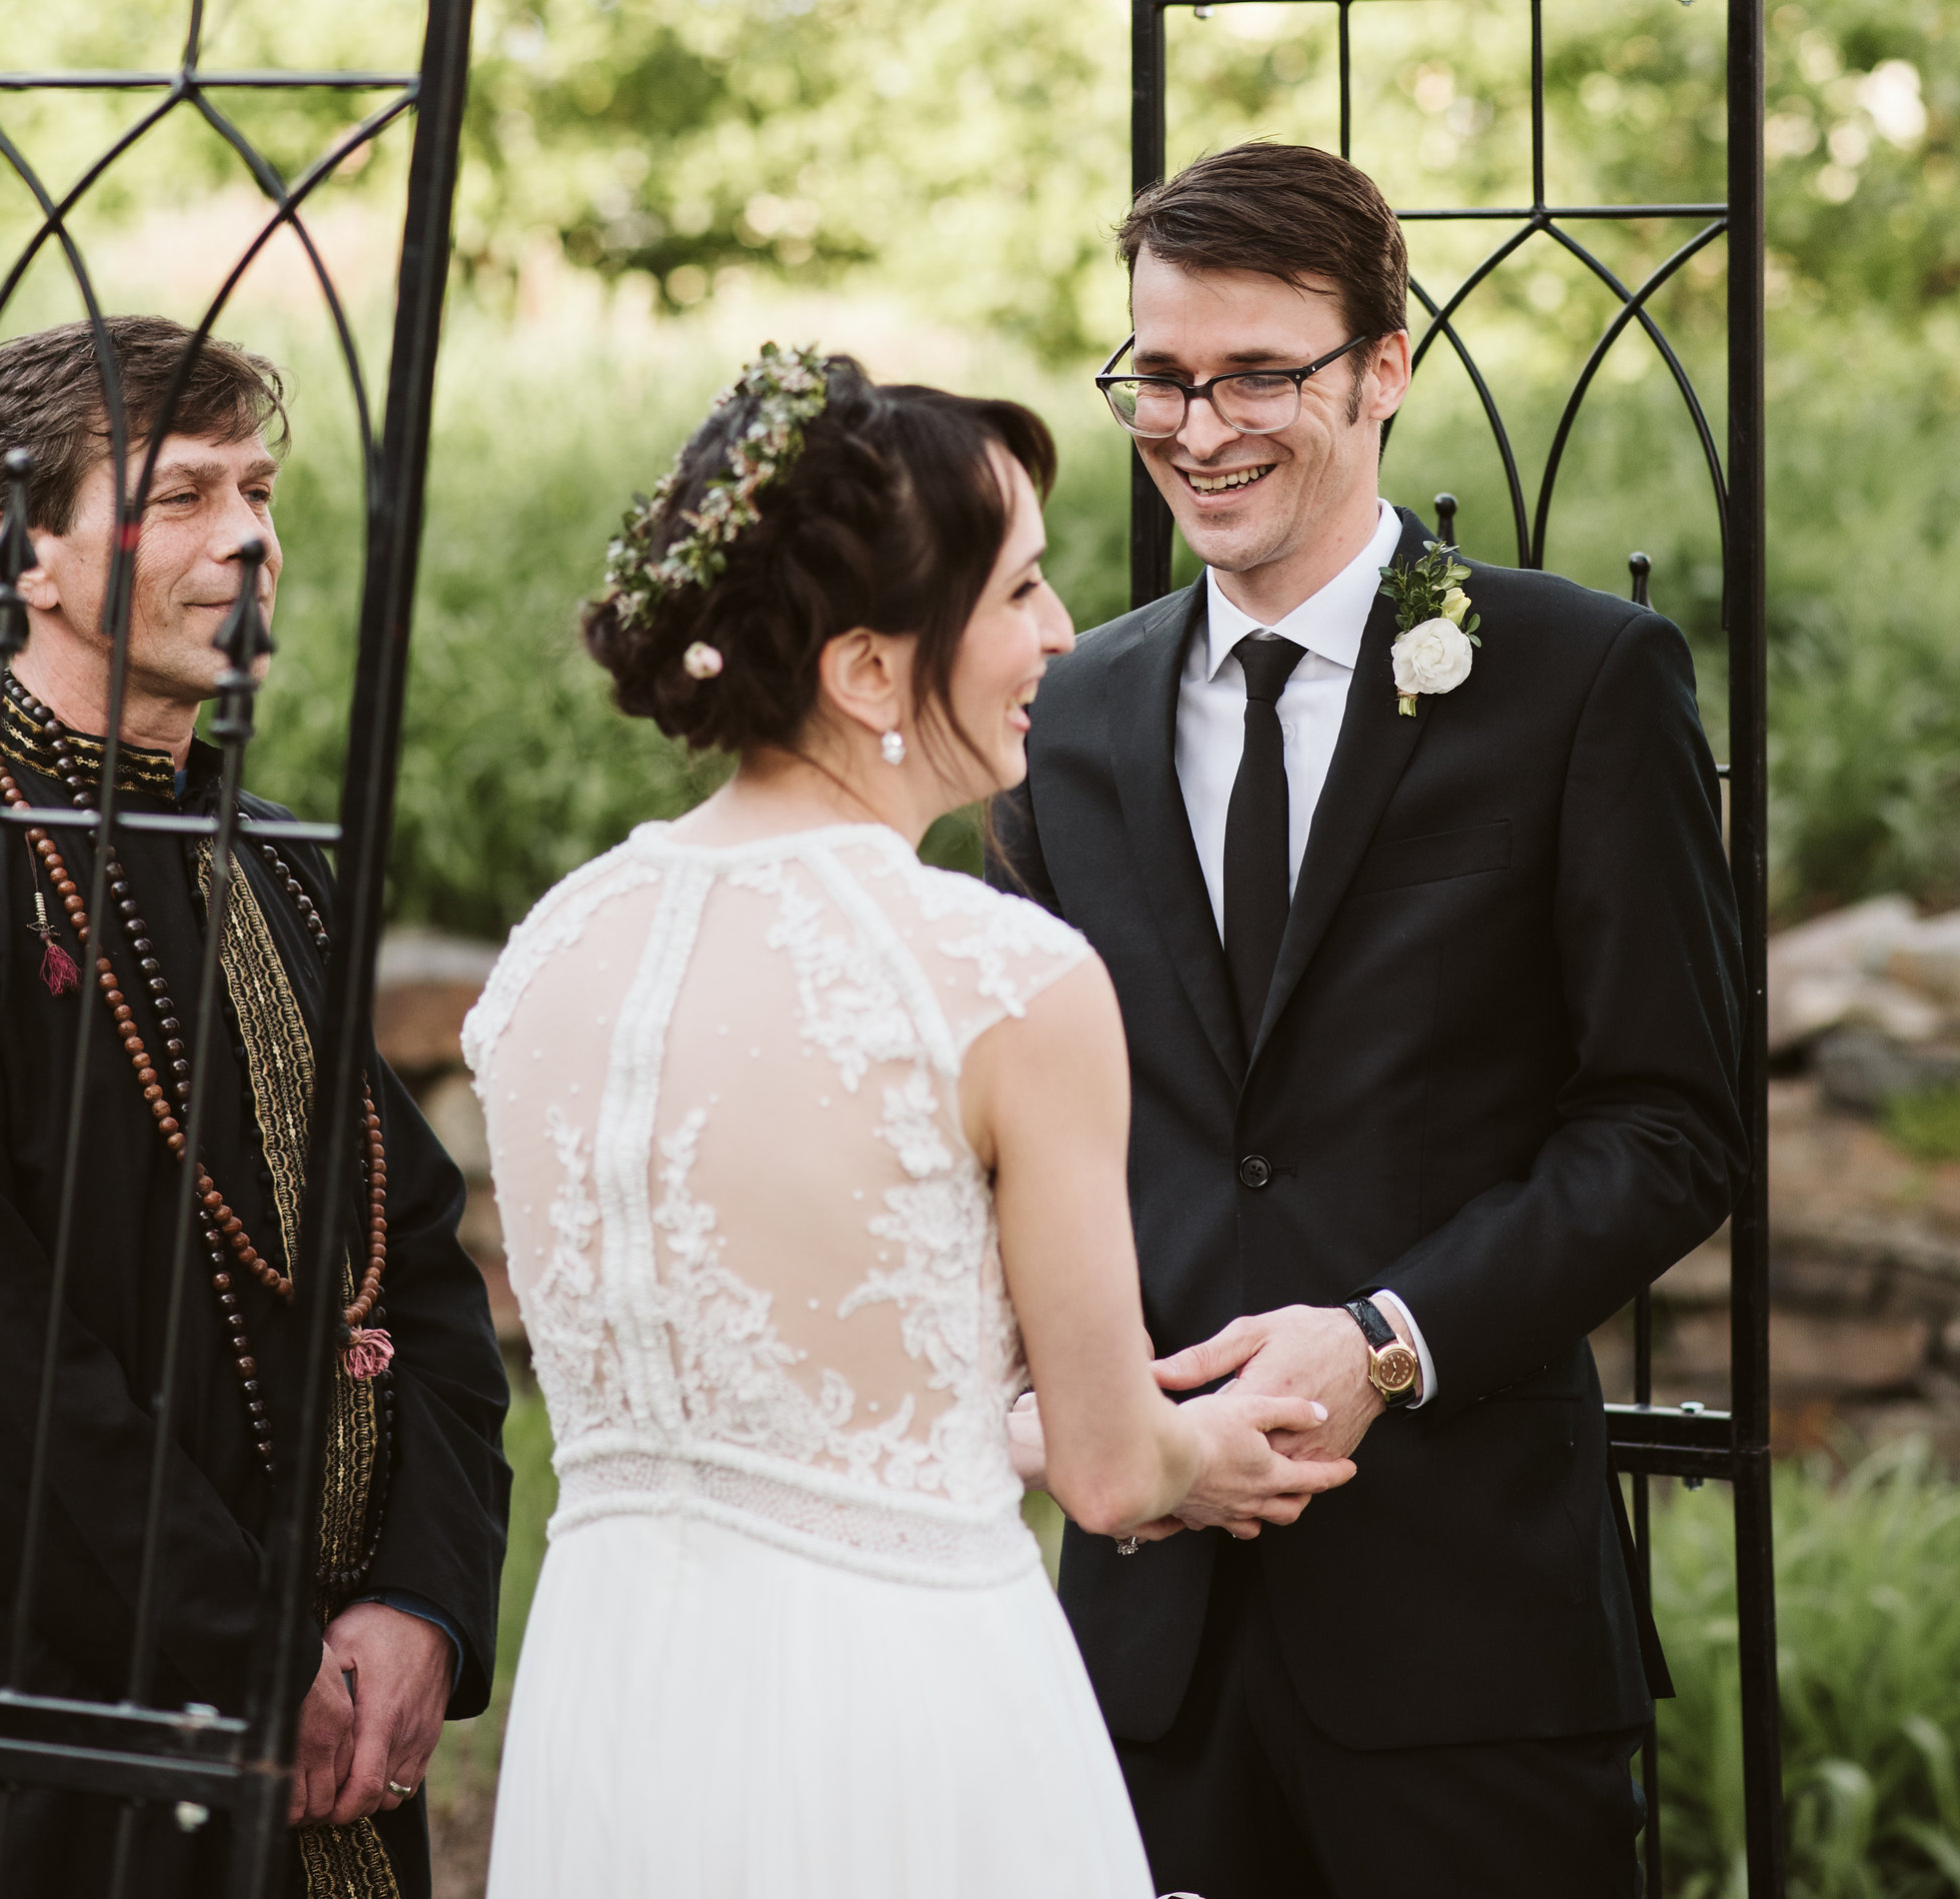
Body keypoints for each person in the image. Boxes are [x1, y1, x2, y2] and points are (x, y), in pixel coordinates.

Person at [467, 345, 1355, 1899]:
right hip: (898, 1698)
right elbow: (1108, 1469)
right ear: (870, 670)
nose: (1065, 635)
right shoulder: (1001, 978)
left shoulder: (552, 951)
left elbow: (790, 1391)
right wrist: (1205, 1441)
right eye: (1018, 593)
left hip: (611, 1693)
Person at [989, 142, 1746, 1899]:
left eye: (1259, 373)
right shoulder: (1070, 710)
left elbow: (1671, 1123)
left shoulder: (1583, 680)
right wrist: (1052, 1411)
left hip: (1468, 1638)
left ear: (1382, 369)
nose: (1200, 426)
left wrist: (1387, 1337)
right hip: (1140, 1652)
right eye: (1160, 377)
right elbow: (1019, 1141)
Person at [0, 316, 512, 1899]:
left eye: (259, 486)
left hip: (326, 1730)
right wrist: (253, 1658)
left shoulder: (278, 860)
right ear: (19, 552)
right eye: (181, 495)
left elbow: (417, 1264)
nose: (251, 533)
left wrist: (418, 1611)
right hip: (52, 1756)